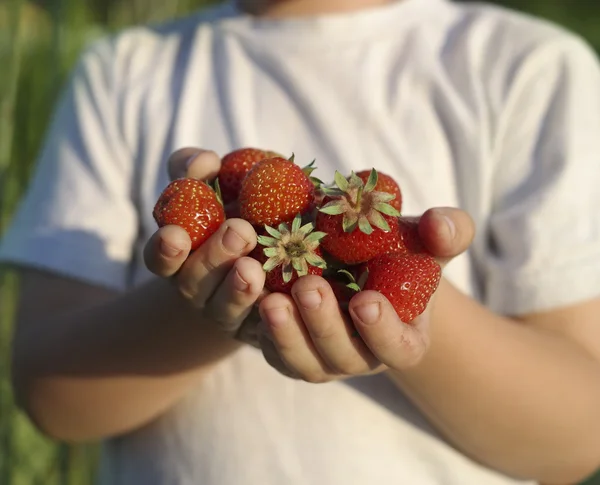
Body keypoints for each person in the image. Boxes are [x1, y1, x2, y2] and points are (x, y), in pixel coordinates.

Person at [2, 0, 600, 483]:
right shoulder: (124, 72)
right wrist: (205, 300)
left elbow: (579, 435)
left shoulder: (529, 69)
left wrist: (407, 304)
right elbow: (54, 396)